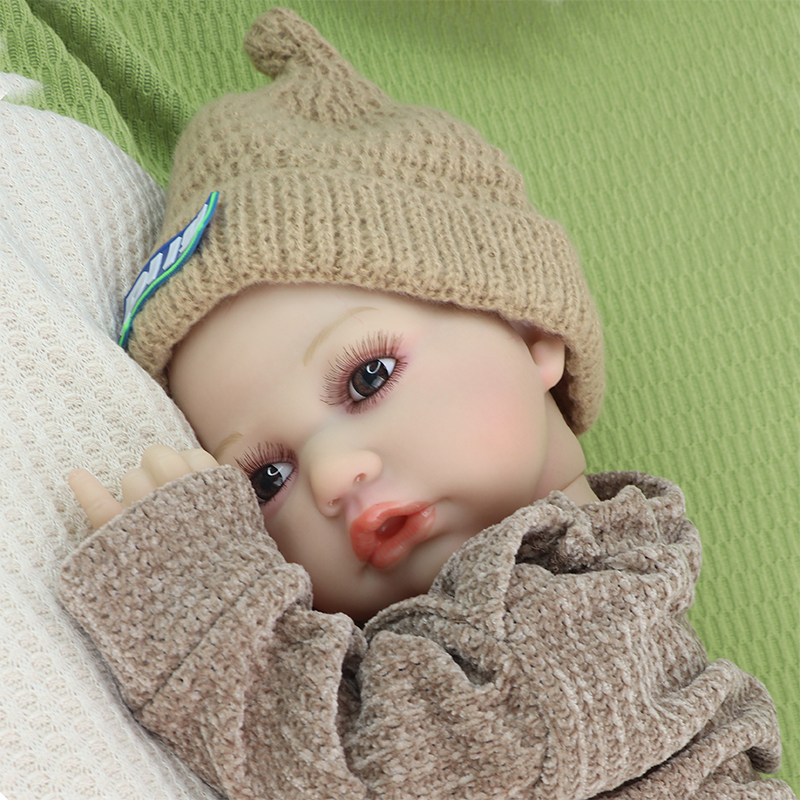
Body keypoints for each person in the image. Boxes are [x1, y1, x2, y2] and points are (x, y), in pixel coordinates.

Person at [59, 8, 792, 799]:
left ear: (530, 330)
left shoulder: (570, 618)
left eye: (368, 377)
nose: (332, 475)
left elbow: (369, 773)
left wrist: (199, 596)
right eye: (267, 478)